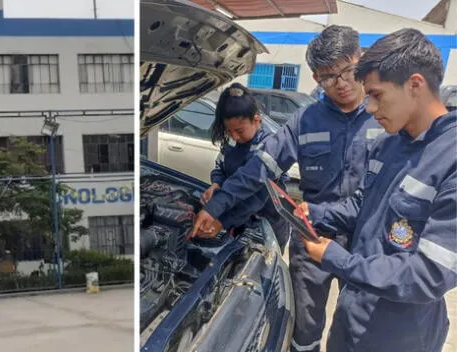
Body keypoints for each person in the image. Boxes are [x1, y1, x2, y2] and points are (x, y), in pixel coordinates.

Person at [188, 25, 384, 352]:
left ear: (360, 59)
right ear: (315, 78)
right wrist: (216, 205)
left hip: (367, 242)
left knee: (361, 330)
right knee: (303, 330)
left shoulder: (386, 115)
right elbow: (260, 168)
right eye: (328, 77)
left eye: (348, 71)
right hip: (313, 237)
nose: (342, 84)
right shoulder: (305, 121)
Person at [298, 28, 456, 352]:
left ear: (415, 85)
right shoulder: (388, 144)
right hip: (351, 318)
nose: (368, 108)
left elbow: (428, 274)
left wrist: (338, 260)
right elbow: (362, 203)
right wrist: (314, 213)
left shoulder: (450, 160)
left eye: (377, 95)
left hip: (400, 336)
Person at [199, 83, 291, 252]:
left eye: (239, 130)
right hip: (239, 222)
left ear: (256, 119)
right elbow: (220, 165)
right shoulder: (233, 142)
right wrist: (216, 183)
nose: (234, 136)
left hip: (268, 226)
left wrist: (221, 222)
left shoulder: (269, 148)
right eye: (229, 130)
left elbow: (255, 199)